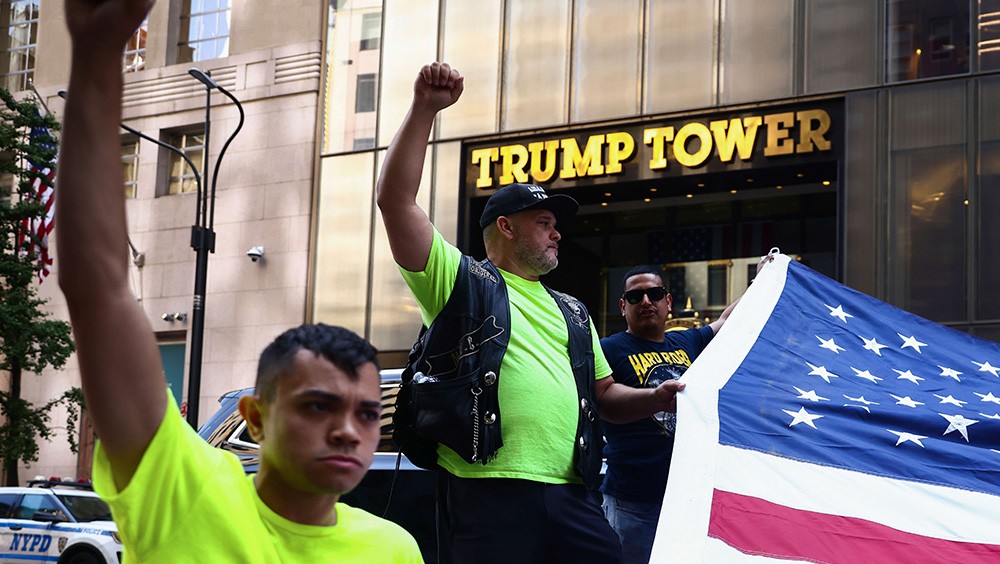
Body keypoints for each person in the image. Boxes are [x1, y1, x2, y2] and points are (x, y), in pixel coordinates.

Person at [56, 1, 421, 562]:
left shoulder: (394, 549)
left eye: (368, 413)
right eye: (319, 407)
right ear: (254, 417)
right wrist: (97, 54)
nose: (350, 431)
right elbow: (98, 284)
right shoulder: (183, 491)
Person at [376, 62, 687, 564]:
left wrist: (658, 398)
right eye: (544, 222)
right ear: (506, 227)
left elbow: (605, 396)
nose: (557, 233)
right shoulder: (460, 282)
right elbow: (395, 202)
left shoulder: (573, 311)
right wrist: (425, 109)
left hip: (573, 492)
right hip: (485, 492)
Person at [599, 263, 765, 564]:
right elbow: (605, 400)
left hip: (687, 495)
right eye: (636, 297)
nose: (647, 302)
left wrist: (762, 279)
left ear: (669, 302)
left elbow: (729, 320)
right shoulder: (607, 348)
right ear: (623, 306)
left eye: (655, 294)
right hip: (633, 499)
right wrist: (656, 398)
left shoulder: (685, 342)